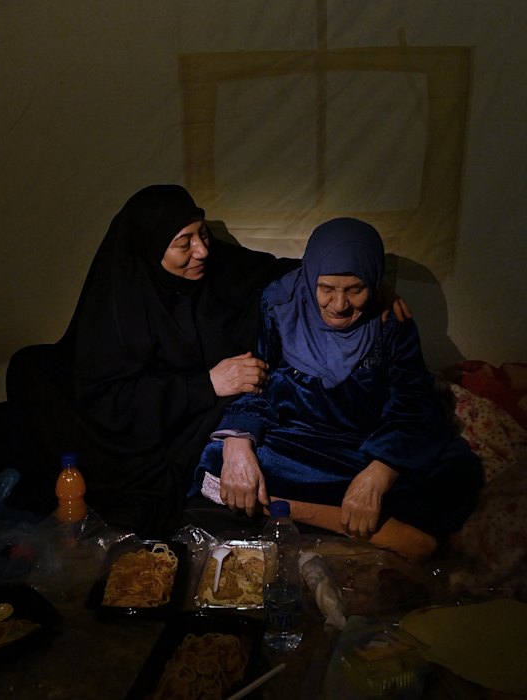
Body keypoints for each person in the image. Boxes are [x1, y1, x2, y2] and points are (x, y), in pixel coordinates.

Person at [0, 188, 408, 537]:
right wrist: (208, 384)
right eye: (183, 243)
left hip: (190, 416)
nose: (202, 250)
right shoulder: (121, 300)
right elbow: (112, 400)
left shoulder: (217, 266)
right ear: (150, 249)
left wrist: (369, 286)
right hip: (124, 422)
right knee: (5, 430)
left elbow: (294, 271)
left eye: (202, 233)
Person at [193, 217, 484, 560]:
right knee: (216, 459)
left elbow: (414, 399)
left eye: (355, 289)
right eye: (327, 288)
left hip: (363, 447)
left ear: (374, 282)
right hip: (295, 444)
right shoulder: (279, 306)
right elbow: (252, 380)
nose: (339, 304)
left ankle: (290, 509)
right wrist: (238, 442)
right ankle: (356, 523)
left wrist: (379, 474)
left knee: (459, 470)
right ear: (310, 275)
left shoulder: (390, 322)